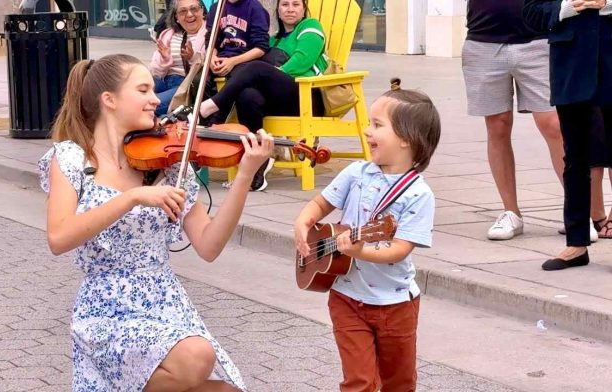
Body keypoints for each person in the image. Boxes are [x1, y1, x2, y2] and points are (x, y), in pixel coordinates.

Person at [38, 54, 274, 390]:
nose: (155, 99)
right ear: (110, 100)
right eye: (143, 89)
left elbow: (209, 246)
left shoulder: (168, 165)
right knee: (196, 356)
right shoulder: (73, 159)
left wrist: (245, 174)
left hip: (165, 301)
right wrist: (131, 197)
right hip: (107, 307)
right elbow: (59, 237)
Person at [294, 79, 441, 391]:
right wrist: (303, 223)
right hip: (346, 296)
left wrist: (359, 252)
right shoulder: (355, 173)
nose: (366, 131)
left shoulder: (418, 194)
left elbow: (399, 249)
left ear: (406, 139)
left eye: (377, 125)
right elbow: (321, 204)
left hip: (396, 304)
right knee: (358, 380)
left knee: (398, 382)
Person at [462, 0, 571, 241]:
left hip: (539, 38)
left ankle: (576, 211)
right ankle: (511, 212)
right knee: (497, 126)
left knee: (554, 125)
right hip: (483, 39)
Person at [199, 0, 328, 191]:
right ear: (278, 9)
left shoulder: (310, 27)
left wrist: (269, 73)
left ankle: (212, 107)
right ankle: (259, 163)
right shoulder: (273, 40)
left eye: (296, 4)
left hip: (307, 97)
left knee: (255, 67)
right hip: (280, 99)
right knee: (247, 95)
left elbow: (302, 62)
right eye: (285, 5)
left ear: (304, 9)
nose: (290, 9)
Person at [523, 0, 612, 270]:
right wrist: (568, 5)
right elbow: (531, 12)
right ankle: (576, 243)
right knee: (575, 156)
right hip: (571, 64)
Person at [150, 0, 208, 116]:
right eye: (183, 11)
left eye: (194, 9)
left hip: (184, 85)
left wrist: (192, 58)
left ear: (202, 11)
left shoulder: (210, 34)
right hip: (163, 80)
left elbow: (206, 69)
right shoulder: (167, 34)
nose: (189, 14)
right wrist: (165, 60)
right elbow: (154, 71)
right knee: (132, 94)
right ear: (176, 16)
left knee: (149, 104)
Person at [204, 0, 270, 78]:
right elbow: (211, 41)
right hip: (221, 58)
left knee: (237, 81)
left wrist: (233, 61)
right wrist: (212, 58)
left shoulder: (255, 7)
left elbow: (261, 48)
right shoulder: (216, 8)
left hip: (245, 60)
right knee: (197, 80)